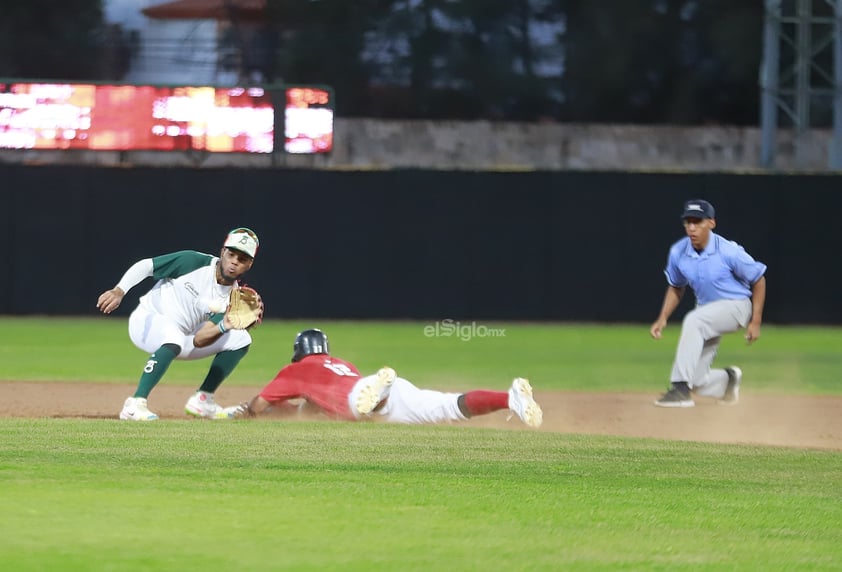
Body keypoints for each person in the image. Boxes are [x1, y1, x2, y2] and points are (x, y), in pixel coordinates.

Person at [221, 328, 543, 428]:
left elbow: (260, 405)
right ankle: (509, 398)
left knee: (358, 405)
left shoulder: (297, 369)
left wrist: (243, 413)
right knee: (450, 406)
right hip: (380, 392)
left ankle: (380, 390)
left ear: (298, 352)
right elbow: (311, 412)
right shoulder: (340, 363)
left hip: (362, 397)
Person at [96, 227, 261, 421]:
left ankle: (203, 400)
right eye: (231, 254)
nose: (234, 261)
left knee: (241, 339)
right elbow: (146, 266)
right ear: (222, 251)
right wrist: (119, 291)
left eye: (241, 259)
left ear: (249, 264)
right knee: (173, 336)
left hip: (182, 337)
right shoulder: (192, 261)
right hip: (147, 321)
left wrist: (225, 325)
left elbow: (199, 340)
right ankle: (134, 404)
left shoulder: (233, 299)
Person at [650, 199, 767, 408]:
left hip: (736, 306)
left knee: (694, 321)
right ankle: (727, 381)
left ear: (711, 223)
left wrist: (755, 321)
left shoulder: (728, 251)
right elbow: (677, 286)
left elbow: (758, 279)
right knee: (696, 380)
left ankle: (679, 389)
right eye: (688, 222)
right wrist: (663, 318)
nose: (692, 228)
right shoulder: (679, 252)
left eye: (698, 222)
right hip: (707, 313)